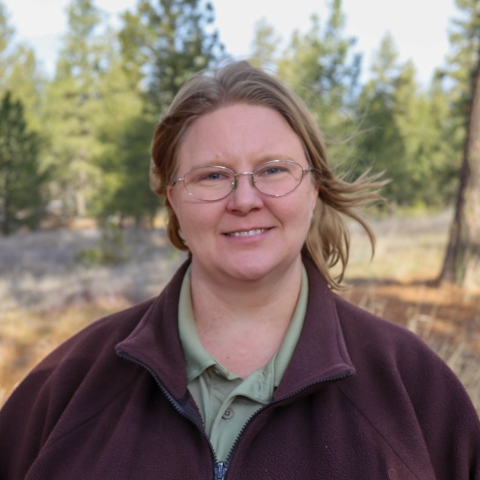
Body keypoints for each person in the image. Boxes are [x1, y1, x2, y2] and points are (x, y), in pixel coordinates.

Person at [0, 61, 479, 480]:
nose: (245, 200)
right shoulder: (69, 386)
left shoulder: (414, 389)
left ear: (313, 188)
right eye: (212, 175)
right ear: (173, 200)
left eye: (273, 169)